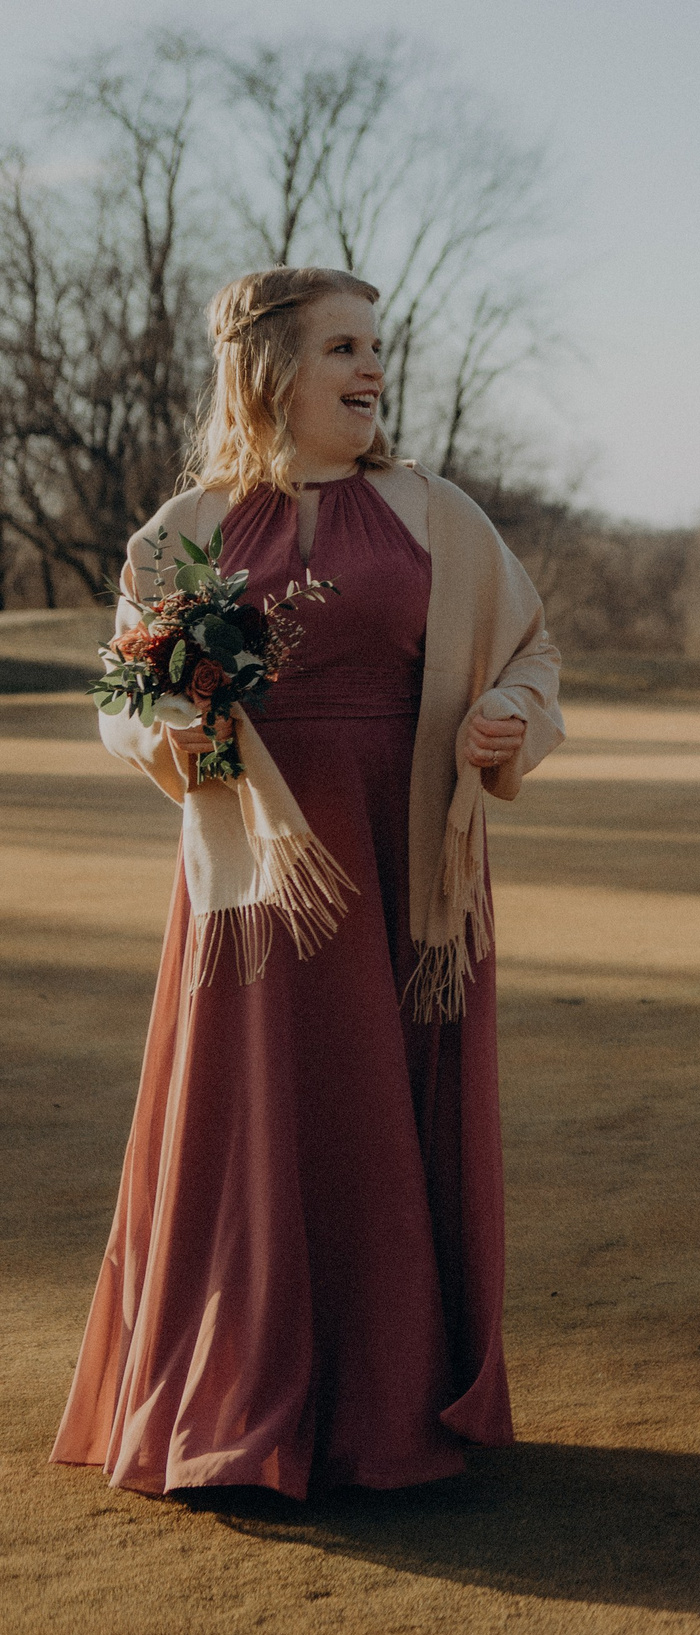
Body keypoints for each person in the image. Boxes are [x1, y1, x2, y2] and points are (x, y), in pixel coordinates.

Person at [54, 267, 562, 1497]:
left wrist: (502, 714)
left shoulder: (438, 515)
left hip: (412, 862)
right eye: (343, 348)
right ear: (270, 369)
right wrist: (172, 728)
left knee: (398, 1108)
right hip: (259, 874)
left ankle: (394, 1404)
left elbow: (531, 656)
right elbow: (129, 701)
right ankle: (241, 1402)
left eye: (377, 347)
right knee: (265, 1111)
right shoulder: (183, 528)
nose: (372, 370)